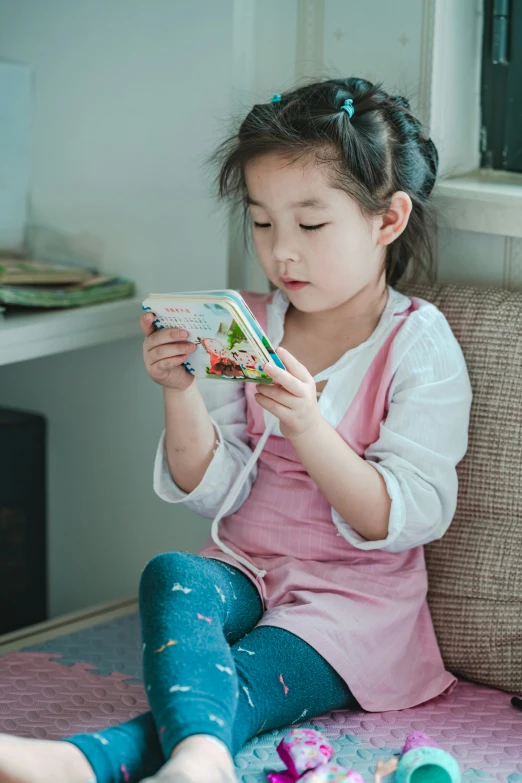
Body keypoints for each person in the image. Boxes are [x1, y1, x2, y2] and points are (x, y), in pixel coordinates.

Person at [0, 77, 472, 783]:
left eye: (311, 226)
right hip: (247, 567)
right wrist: (179, 392)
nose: (282, 253)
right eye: (261, 222)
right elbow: (204, 487)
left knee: (245, 676)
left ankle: (106, 760)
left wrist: (309, 425)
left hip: (353, 605)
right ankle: (190, 756)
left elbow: (400, 516)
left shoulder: (416, 343)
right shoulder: (248, 323)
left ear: (388, 219)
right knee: (173, 572)